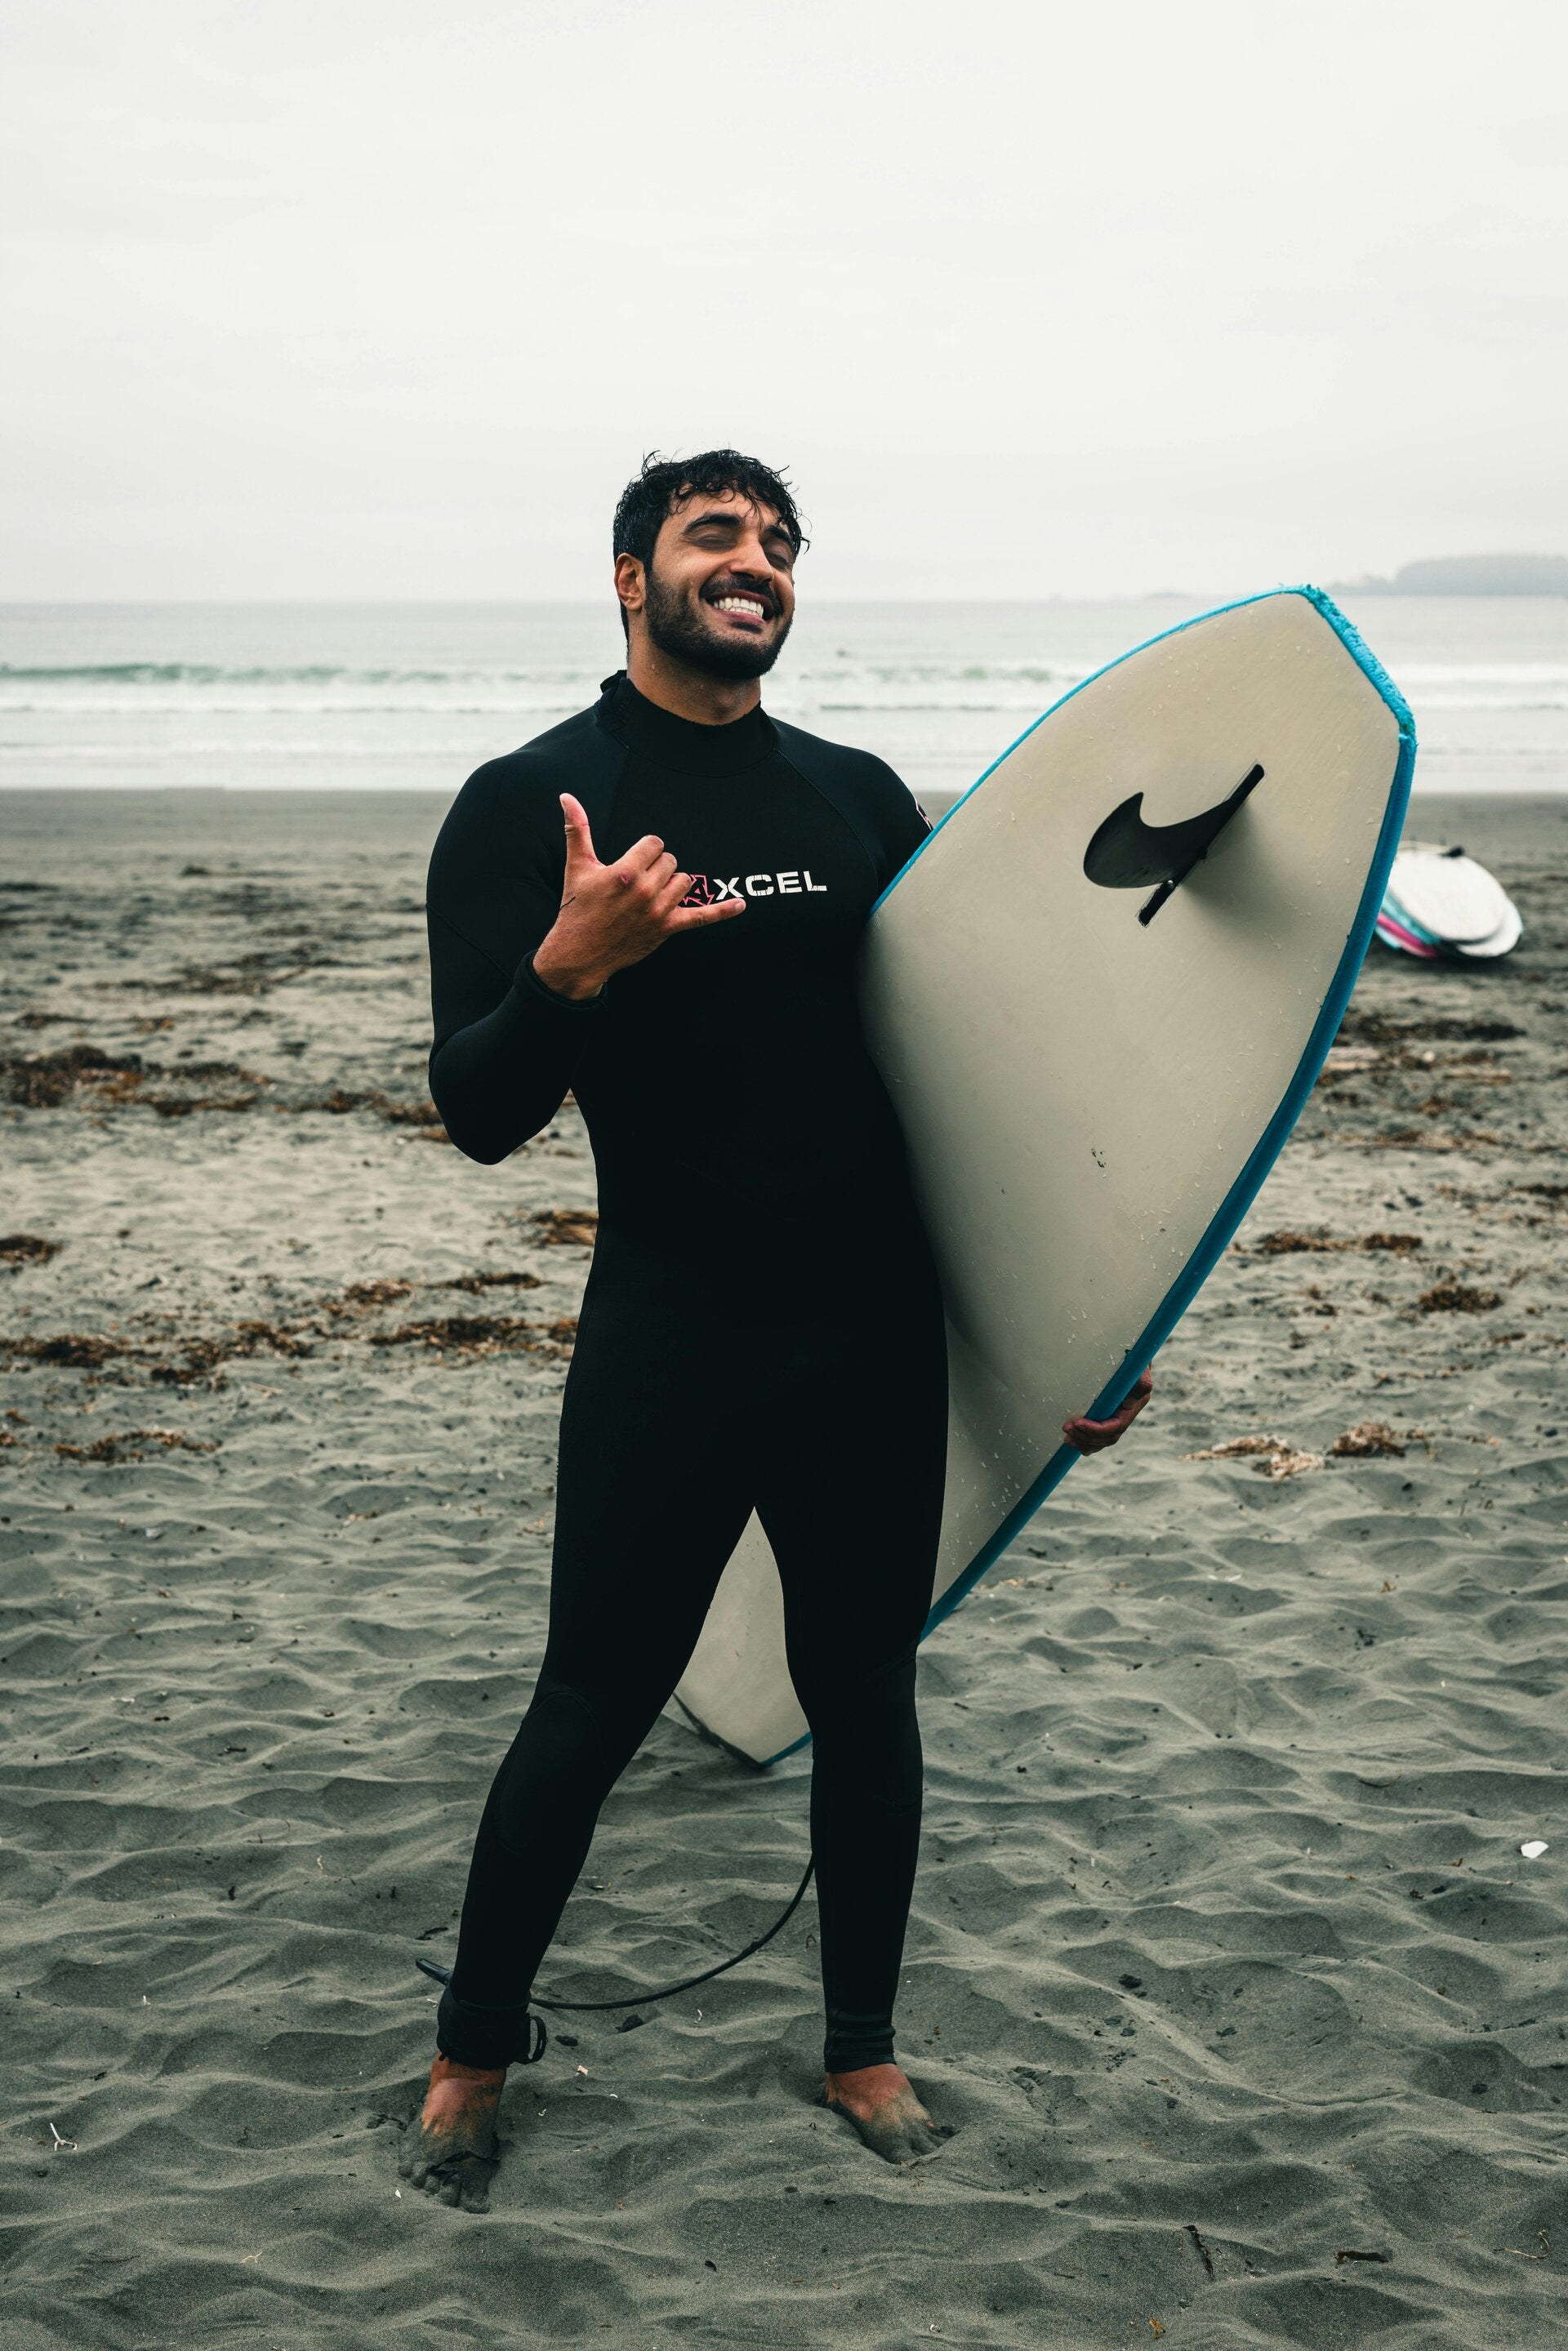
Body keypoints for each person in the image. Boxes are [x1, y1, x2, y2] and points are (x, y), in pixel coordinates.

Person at [402, 451, 1152, 2209]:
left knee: (867, 1697)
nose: (758, 563)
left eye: (782, 543)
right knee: (590, 1703)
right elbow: (479, 1112)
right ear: (630, 575)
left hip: (873, 1333)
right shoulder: (531, 806)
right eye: (717, 534)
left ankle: (861, 2047)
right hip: (675, 1325)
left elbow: (964, 1080)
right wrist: (569, 967)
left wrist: (1078, 1321)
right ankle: (470, 2054)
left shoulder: (857, 797)